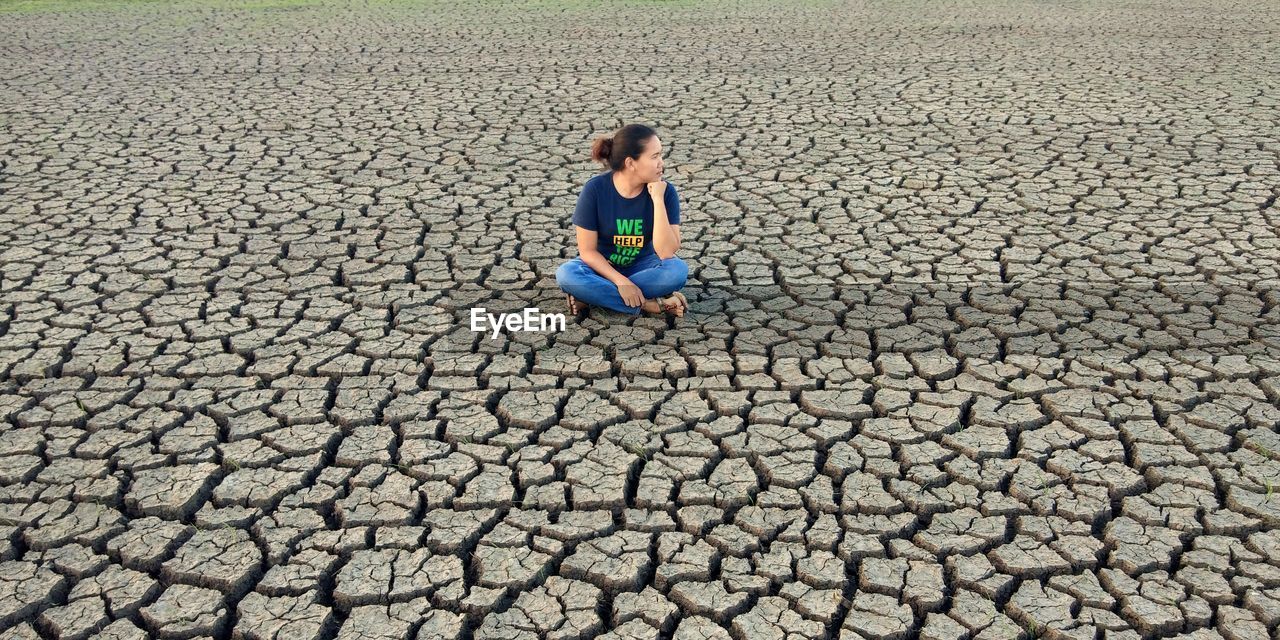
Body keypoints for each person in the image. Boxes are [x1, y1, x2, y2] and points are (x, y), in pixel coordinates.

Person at [555, 124, 690, 318]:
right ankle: (650, 305)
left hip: (645, 266)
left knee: (676, 271)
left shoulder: (665, 192)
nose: (662, 163)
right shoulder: (595, 190)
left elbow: (666, 252)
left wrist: (658, 200)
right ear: (630, 163)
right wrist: (621, 282)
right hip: (602, 267)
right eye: (654, 157)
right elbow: (588, 251)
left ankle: (593, 297)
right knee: (567, 274)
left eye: (660, 155)